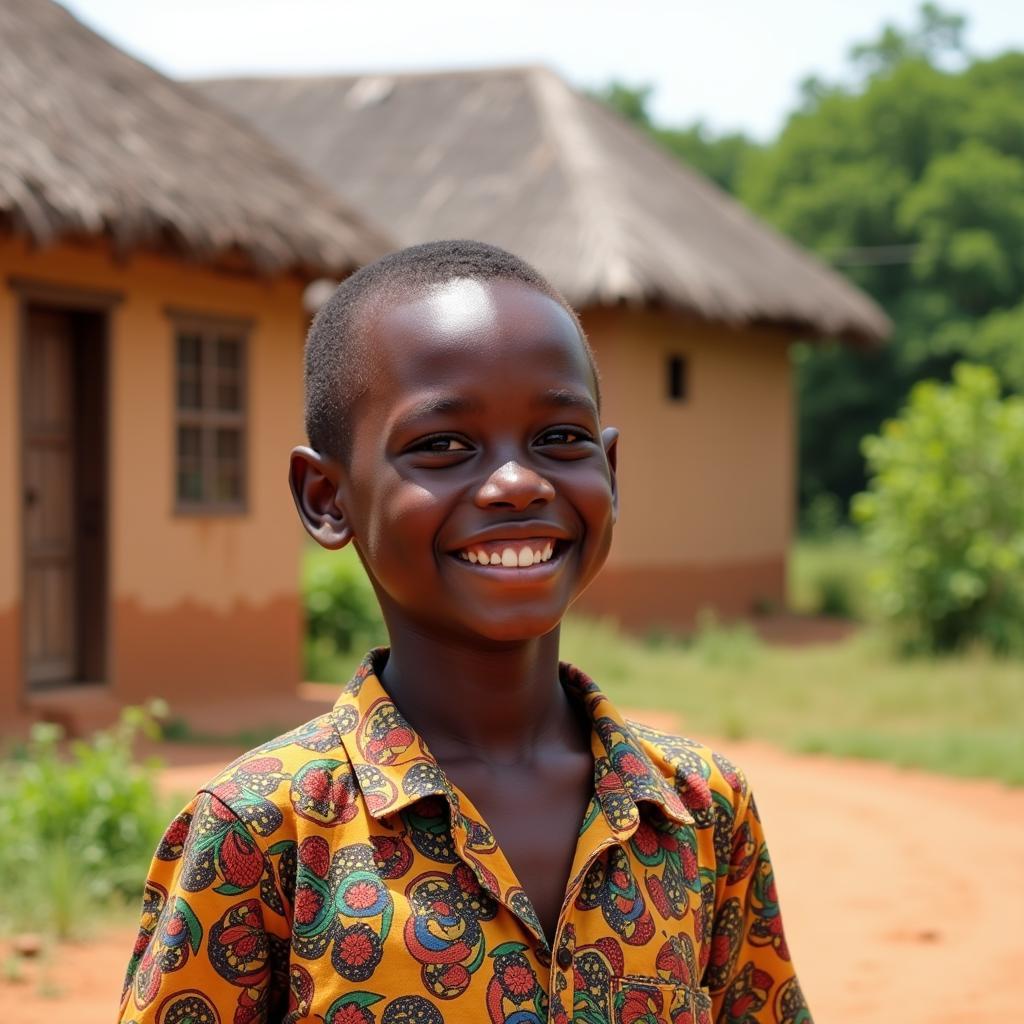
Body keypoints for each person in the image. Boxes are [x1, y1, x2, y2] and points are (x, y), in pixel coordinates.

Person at [118, 240, 811, 1024]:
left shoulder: (702, 811)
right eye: (443, 446)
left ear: (611, 473)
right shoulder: (263, 832)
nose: (519, 482)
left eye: (561, 438)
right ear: (326, 497)